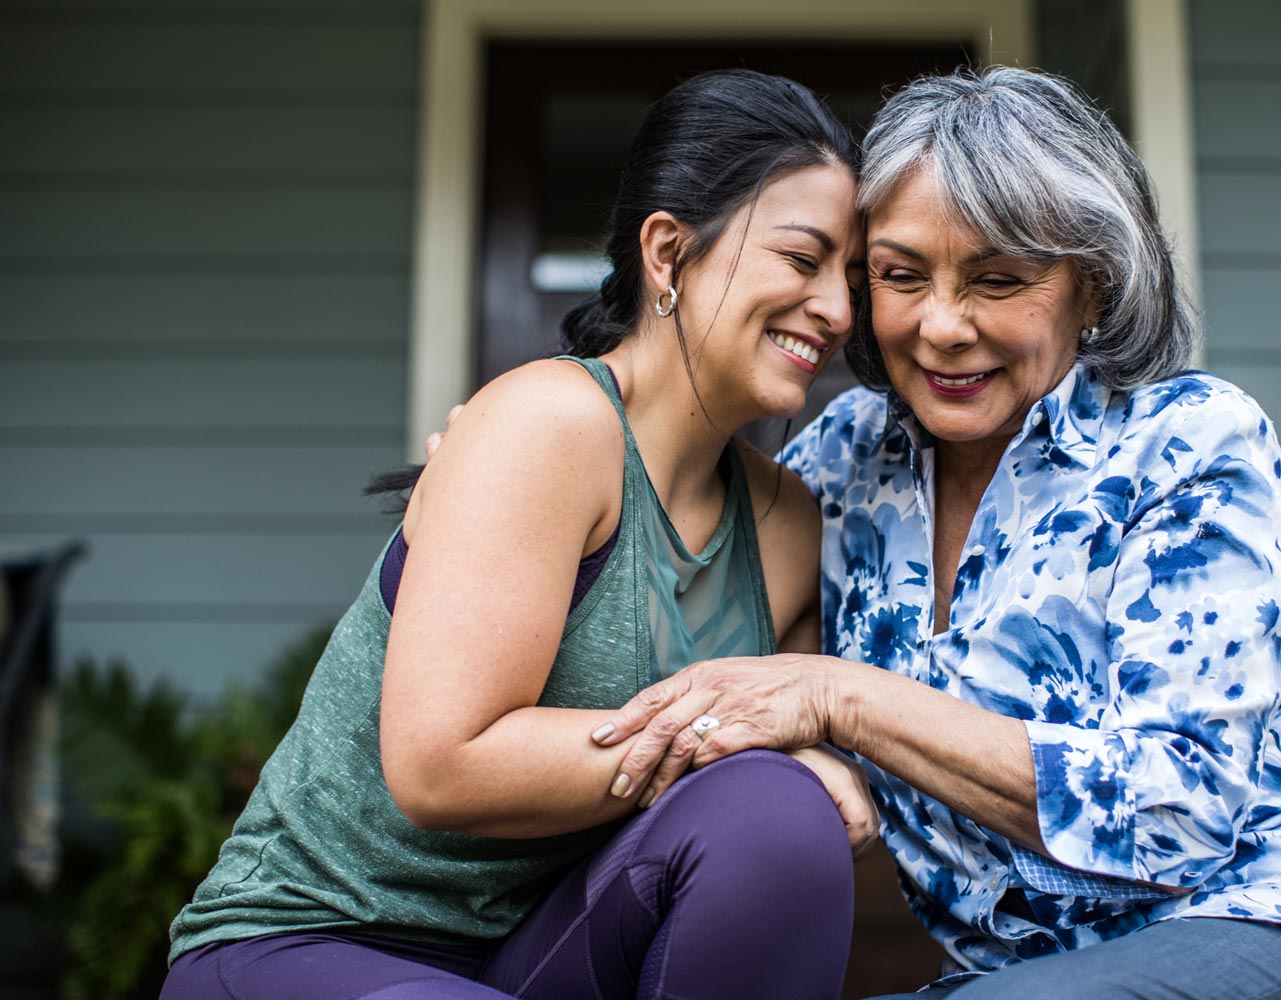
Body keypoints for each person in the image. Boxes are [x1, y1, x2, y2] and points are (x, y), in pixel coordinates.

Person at [584, 67, 1281, 999]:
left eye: (999, 279)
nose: (944, 326)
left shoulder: (1187, 442)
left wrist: (844, 701)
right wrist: (519, 467)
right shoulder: (837, 465)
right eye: (900, 276)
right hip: (1018, 978)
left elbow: (1177, 810)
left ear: (1093, 288)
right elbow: (701, 622)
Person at [160, 69, 878, 1000]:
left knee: (775, 814)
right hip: (312, 943)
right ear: (668, 253)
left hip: (535, 957)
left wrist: (805, 761)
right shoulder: (551, 425)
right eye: (802, 258)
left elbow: (781, 781)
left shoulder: (784, 523)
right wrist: (730, 737)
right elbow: (442, 767)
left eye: (853, 278)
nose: (839, 310)